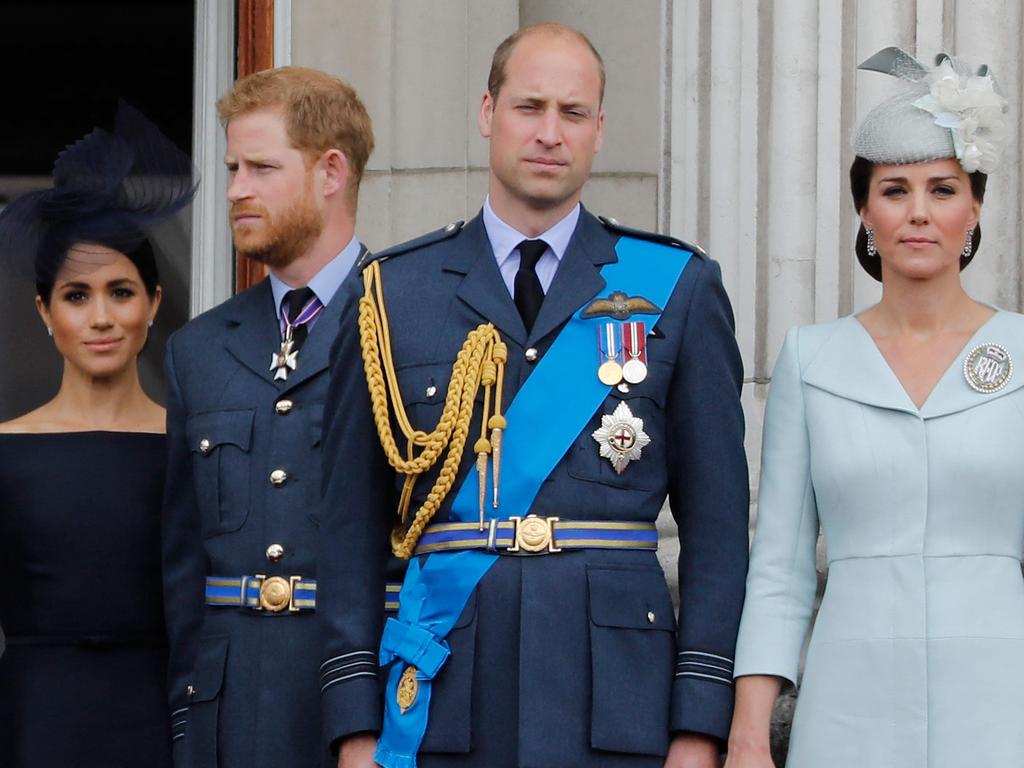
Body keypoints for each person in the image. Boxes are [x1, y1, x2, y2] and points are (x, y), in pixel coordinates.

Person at [319, 23, 749, 768]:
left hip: (618, 705)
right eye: (530, 107)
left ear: (600, 130)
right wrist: (356, 727)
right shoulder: (393, 294)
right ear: (488, 112)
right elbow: (348, 530)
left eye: (573, 113)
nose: (550, 133)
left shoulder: (675, 288)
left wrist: (700, 726)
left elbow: (716, 532)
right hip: (442, 701)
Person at [726, 48, 1020, 768]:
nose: (919, 213)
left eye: (943, 189)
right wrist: (748, 734)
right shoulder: (812, 358)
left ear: (974, 205)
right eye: (894, 190)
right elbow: (781, 567)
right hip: (847, 711)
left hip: (1001, 704)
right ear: (864, 208)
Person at [161, 67, 378, 768]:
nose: (234, 191)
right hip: (229, 718)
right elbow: (183, 567)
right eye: (232, 168)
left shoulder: (412, 323)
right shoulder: (198, 350)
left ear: (331, 171)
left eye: (260, 167)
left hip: (364, 712)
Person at [0, 105, 195, 768]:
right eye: (77, 296)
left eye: (121, 291)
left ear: (153, 304)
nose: (102, 317)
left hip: (164, 718)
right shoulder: (5, 452)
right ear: (44, 312)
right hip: (33, 721)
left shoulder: (191, 447)